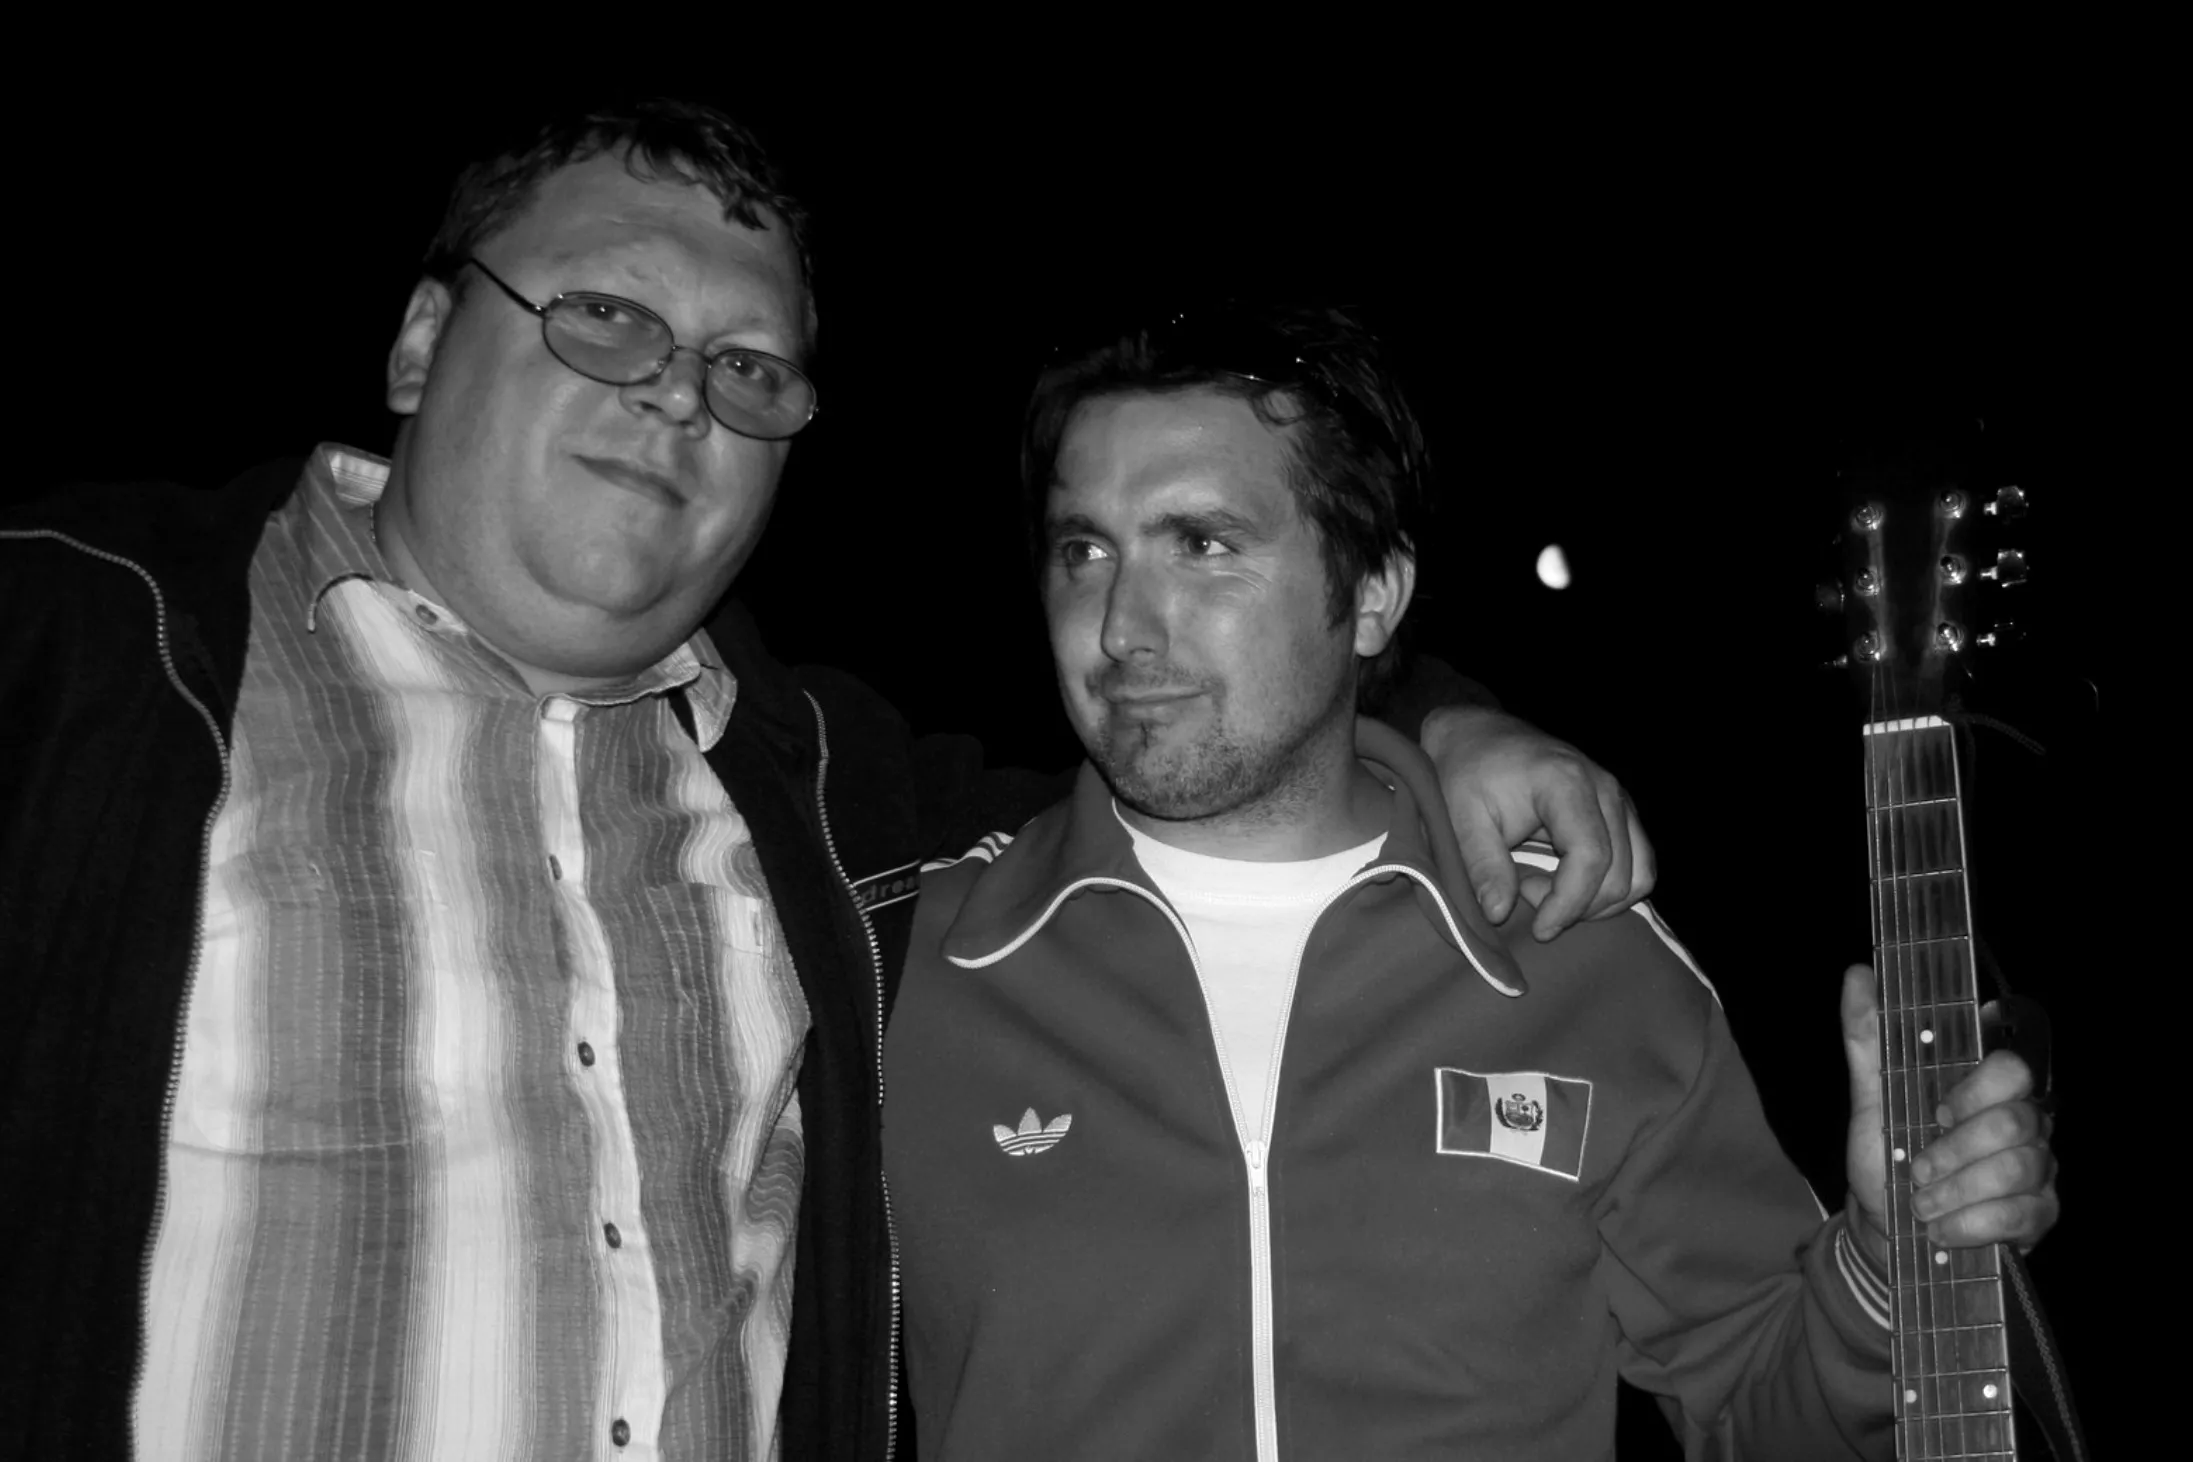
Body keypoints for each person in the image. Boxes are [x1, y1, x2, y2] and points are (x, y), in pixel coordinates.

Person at [0, 102, 1656, 1460]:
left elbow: (1220, 741)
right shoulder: (75, 661)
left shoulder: (837, 803)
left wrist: (1440, 716)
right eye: (605, 315)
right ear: (427, 340)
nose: (676, 390)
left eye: (747, 369)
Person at [882, 304, 2061, 1459]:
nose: (1122, 628)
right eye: (1084, 550)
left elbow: (1759, 1401)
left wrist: (1885, 1259)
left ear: (1373, 594)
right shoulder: (906, 966)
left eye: (1204, 544)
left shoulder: (1577, 947)